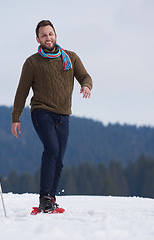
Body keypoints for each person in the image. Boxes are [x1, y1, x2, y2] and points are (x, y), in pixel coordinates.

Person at [11, 20, 93, 212]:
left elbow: (85, 76)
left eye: (50, 34)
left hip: (63, 115)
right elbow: (22, 91)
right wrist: (16, 117)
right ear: (37, 39)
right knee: (52, 150)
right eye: (43, 35)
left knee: (60, 159)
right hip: (41, 111)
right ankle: (45, 197)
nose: (48, 38)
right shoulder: (32, 62)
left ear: (55, 35)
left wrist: (86, 85)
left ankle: (51, 198)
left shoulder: (70, 58)